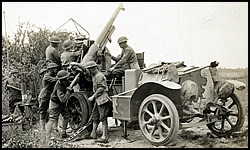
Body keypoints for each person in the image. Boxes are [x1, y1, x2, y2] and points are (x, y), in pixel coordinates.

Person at [84, 61, 111, 143]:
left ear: (92, 69)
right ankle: (93, 133)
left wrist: (93, 96)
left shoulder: (99, 76)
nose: (87, 71)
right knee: (95, 116)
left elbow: (101, 88)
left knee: (103, 117)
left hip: (102, 99)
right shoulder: (94, 76)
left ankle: (105, 137)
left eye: (88, 69)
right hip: (98, 99)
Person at [46, 70, 73, 138]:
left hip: (60, 104)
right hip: (55, 104)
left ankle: (63, 133)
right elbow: (63, 100)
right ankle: (46, 135)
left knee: (66, 116)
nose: (67, 79)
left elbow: (68, 81)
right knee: (52, 118)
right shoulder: (59, 88)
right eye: (66, 78)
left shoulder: (62, 82)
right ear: (62, 80)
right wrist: (68, 92)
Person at [38, 62, 59, 131]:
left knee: (53, 111)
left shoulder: (54, 75)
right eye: (54, 68)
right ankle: (42, 128)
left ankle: (54, 128)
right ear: (50, 69)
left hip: (51, 96)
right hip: (44, 96)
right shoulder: (46, 76)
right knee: (43, 112)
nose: (56, 69)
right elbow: (54, 80)